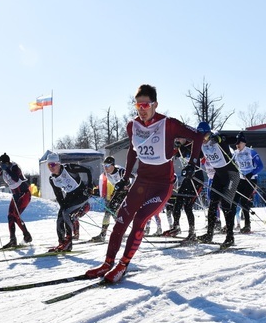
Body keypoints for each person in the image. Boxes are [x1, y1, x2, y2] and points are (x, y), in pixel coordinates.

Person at [85, 84, 204, 283]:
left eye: (146, 104)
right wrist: (124, 179)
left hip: (162, 185)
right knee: (121, 220)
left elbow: (198, 136)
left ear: (155, 104)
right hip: (141, 182)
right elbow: (133, 151)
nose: (142, 109)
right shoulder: (133, 126)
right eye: (138, 105)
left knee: (140, 220)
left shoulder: (169, 124)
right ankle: (107, 263)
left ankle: (123, 265)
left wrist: (193, 164)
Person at [195, 122, 241, 248]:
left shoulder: (216, 138)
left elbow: (234, 139)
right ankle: (209, 234)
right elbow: (194, 155)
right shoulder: (201, 145)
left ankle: (230, 237)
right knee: (213, 203)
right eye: (200, 137)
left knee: (226, 204)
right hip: (219, 175)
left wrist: (220, 138)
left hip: (232, 174)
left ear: (209, 134)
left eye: (204, 137)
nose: (203, 140)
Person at [0, 153, 32, 249]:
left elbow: (15, 179)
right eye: (0, 165)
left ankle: (27, 236)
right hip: (16, 195)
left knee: (15, 215)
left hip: (24, 194)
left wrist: (7, 169)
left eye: (3, 164)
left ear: (8, 163)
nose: (1, 167)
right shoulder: (2, 170)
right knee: (10, 216)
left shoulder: (15, 167)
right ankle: (13, 240)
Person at [47, 152, 93, 251]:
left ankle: (68, 242)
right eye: (49, 165)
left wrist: (90, 186)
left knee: (66, 214)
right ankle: (62, 242)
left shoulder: (69, 168)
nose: (51, 167)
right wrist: (62, 206)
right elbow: (59, 195)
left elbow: (87, 170)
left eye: (53, 164)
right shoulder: (52, 179)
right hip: (70, 196)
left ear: (58, 163)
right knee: (60, 217)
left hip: (81, 194)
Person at [162, 138, 204, 239]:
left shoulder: (193, 145)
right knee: (177, 203)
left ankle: (192, 232)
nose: (177, 139)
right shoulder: (180, 148)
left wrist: (187, 148)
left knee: (188, 206)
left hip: (197, 179)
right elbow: (170, 155)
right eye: (176, 138)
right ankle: (176, 226)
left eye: (179, 138)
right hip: (187, 179)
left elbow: (201, 155)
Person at [91, 156, 132, 242]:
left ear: (113, 165)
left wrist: (127, 185)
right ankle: (103, 235)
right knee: (109, 211)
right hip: (118, 193)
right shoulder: (106, 173)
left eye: (107, 166)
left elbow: (132, 177)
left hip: (128, 193)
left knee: (123, 213)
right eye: (104, 165)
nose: (105, 168)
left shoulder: (120, 171)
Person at [232, 132, 264, 233]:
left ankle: (247, 225)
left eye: (239, 143)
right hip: (240, 179)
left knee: (244, 201)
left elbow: (260, 166)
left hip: (251, 179)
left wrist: (251, 174)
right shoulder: (235, 153)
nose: (237, 145)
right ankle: (230, 225)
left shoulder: (251, 152)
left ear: (244, 143)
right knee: (233, 200)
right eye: (236, 143)